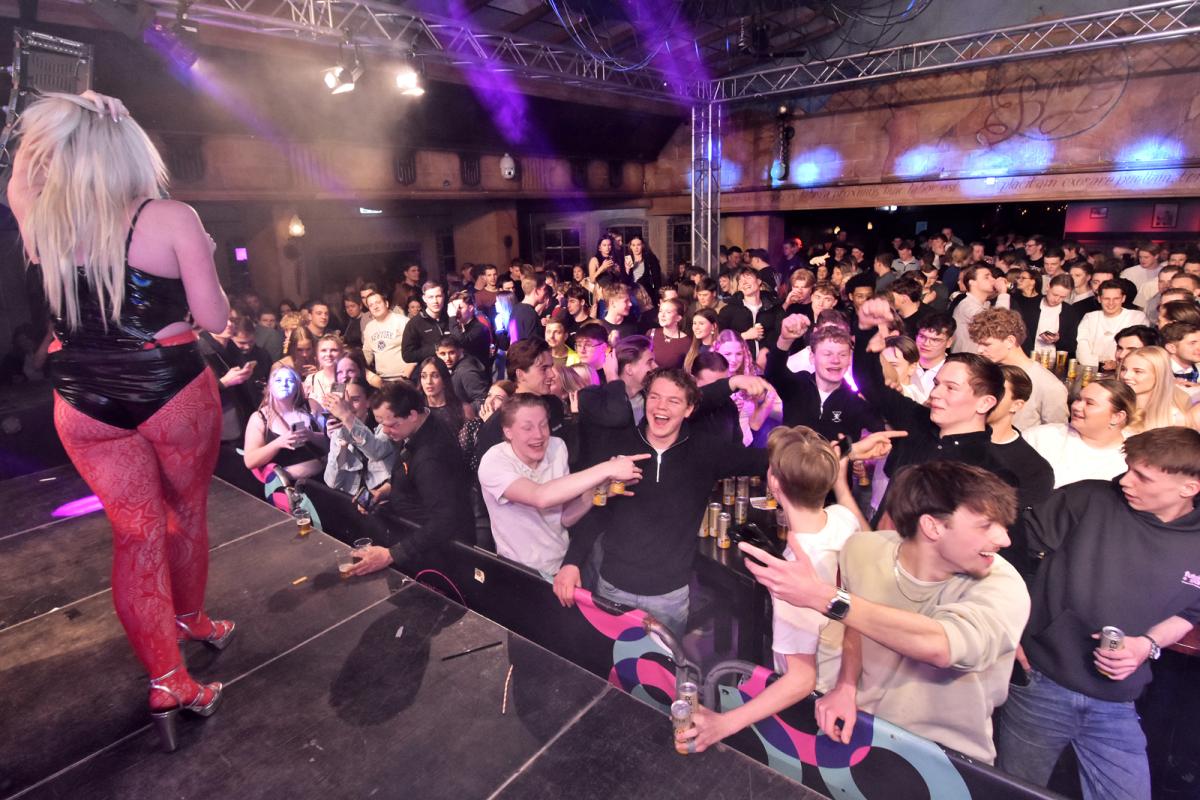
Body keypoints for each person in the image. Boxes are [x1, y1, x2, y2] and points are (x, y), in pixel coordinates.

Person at [10, 91, 232, 748]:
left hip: (82, 398)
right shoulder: (171, 217)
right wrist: (205, 252)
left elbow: (19, 175)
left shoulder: (43, 219)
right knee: (185, 513)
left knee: (136, 535)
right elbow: (215, 319)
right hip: (169, 385)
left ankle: (168, 679)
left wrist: (51, 126)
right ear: (131, 149)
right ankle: (191, 620)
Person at [739, 460, 1029, 765]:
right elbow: (858, 623)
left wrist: (825, 598)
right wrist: (846, 685)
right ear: (932, 526)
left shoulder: (1003, 585)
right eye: (986, 526)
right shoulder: (862, 551)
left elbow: (941, 646)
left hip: (948, 759)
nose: (1005, 540)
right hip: (863, 732)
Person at [997, 428, 1200, 800]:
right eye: (1129, 468)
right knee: (1013, 793)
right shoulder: (1088, 499)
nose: (1125, 480)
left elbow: (1192, 612)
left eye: (1143, 476)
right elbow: (1004, 551)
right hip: (1040, 681)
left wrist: (1147, 645)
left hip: (1118, 700)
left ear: (1189, 488)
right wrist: (1006, 628)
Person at [680, 426, 870, 753]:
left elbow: (801, 679)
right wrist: (841, 484)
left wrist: (724, 723)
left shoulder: (792, 574)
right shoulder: (842, 517)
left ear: (774, 483)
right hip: (855, 675)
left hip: (820, 700)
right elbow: (868, 541)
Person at [554, 368, 772, 636]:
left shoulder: (706, 450)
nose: (660, 407)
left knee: (664, 664)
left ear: (689, 409)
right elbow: (597, 512)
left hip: (669, 597)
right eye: (655, 397)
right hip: (613, 588)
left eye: (673, 401)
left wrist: (808, 451)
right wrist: (572, 562)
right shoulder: (618, 448)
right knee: (611, 662)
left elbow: (766, 461)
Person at [478, 395, 648, 579]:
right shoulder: (494, 462)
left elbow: (564, 517)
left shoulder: (557, 447)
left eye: (543, 425)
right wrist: (607, 468)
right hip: (520, 572)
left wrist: (597, 492)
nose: (539, 435)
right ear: (508, 432)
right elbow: (540, 497)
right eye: (527, 428)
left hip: (560, 564)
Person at [348, 381, 475, 575]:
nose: (385, 431)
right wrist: (384, 491)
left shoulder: (431, 457)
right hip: (416, 534)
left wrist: (391, 555)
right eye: (381, 424)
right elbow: (412, 476)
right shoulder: (418, 426)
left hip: (438, 554)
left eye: (391, 425)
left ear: (412, 415)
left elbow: (444, 520)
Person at [767, 317, 881, 442]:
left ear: (849, 359)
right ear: (812, 357)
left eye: (842, 355)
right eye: (827, 354)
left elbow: (881, 431)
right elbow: (773, 371)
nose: (836, 360)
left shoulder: (856, 402)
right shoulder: (797, 386)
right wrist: (785, 340)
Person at [1023, 379, 1135, 488]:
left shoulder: (1135, 455)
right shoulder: (1040, 438)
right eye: (1078, 399)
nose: (1076, 406)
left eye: (1089, 403)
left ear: (1117, 417)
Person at [969, 308, 1068, 431]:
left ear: (1010, 341)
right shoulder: (986, 373)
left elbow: (1057, 435)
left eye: (986, 344)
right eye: (978, 344)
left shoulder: (1049, 386)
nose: (979, 350)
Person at [242, 364, 327, 482]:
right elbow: (250, 461)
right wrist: (278, 443)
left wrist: (311, 435)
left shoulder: (311, 406)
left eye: (290, 380)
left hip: (323, 479)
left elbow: (332, 444)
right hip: (289, 487)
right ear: (270, 386)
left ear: (298, 386)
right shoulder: (260, 418)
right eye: (278, 380)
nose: (284, 384)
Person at [986, 366, 1055, 508]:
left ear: (1016, 405)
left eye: (996, 392)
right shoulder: (947, 438)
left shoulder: (1034, 470)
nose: (984, 398)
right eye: (980, 389)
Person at [322, 379, 395, 503]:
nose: (348, 406)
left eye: (355, 400)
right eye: (344, 402)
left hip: (385, 498)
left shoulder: (383, 425)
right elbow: (333, 482)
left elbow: (376, 451)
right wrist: (342, 444)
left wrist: (346, 416)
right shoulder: (339, 432)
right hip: (353, 501)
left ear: (368, 402)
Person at [1076, 280, 1149, 369]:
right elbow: (1082, 350)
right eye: (1106, 299)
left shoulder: (1137, 317)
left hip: (1126, 370)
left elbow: (1141, 350)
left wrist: (1117, 365)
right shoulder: (1090, 317)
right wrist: (1102, 364)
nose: (1111, 303)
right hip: (1091, 369)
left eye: (1116, 298)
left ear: (1123, 298)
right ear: (1099, 299)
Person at [416, 356, 476, 452]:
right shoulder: (417, 411)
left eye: (435, 376)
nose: (428, 382)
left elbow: (472, 446)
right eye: (424, 376)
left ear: (444, 379)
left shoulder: (464, 409)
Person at [1121, 346, 1189, 431]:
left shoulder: (1175, 419)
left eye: (1138, 371)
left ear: (1159, 375)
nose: (1126, 376)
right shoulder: (1113, 407)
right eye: (1124, 369)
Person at [951, 264, 1010, 354]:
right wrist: (1002, 293)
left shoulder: (986, 305)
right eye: (987, 277)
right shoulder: (966, 305)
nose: (993, 280)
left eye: (992, 276)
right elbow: (997, 324)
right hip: (966, 360)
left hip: (978, 359)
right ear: (972, 282)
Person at [362, 291, 414, 381]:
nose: (375, 307)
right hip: (382, 379)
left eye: (378, 302)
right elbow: (367, 353)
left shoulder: (402, 321)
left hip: (404, 377)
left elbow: (415, 349)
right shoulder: (369, 327)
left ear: (386, 303)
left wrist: (406, 376)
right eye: (371, 305)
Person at [400, 281, 450, 365]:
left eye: (438, 296)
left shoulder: (450, 317)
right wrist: (436, 348)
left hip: (454, 369)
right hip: (430, 369)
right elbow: (407, 355)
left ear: (444, 296)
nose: (435, 301)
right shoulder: (414, 323)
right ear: (424, 298)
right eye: (431, 297)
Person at [436, 335, 489, 410]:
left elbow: (482, 400)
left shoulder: (466, 372)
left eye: (451, 353)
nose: (447, 358)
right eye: (443, 354)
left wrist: (460, 412)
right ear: (437, 354)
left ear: (460, 351)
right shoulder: (451, 368)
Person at [648, 297, 692, 370]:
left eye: (668, 312)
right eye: (660, 311)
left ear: (678, 318)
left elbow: (687, 370)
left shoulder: (686, 342)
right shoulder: (651, 333)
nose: (662, 315)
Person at [303, 333, 342, 411]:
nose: (328, 354)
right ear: (317, 354)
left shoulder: (345, 378)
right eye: (323, 350)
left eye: (333, 350)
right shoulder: (311, 379)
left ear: (341, 353)